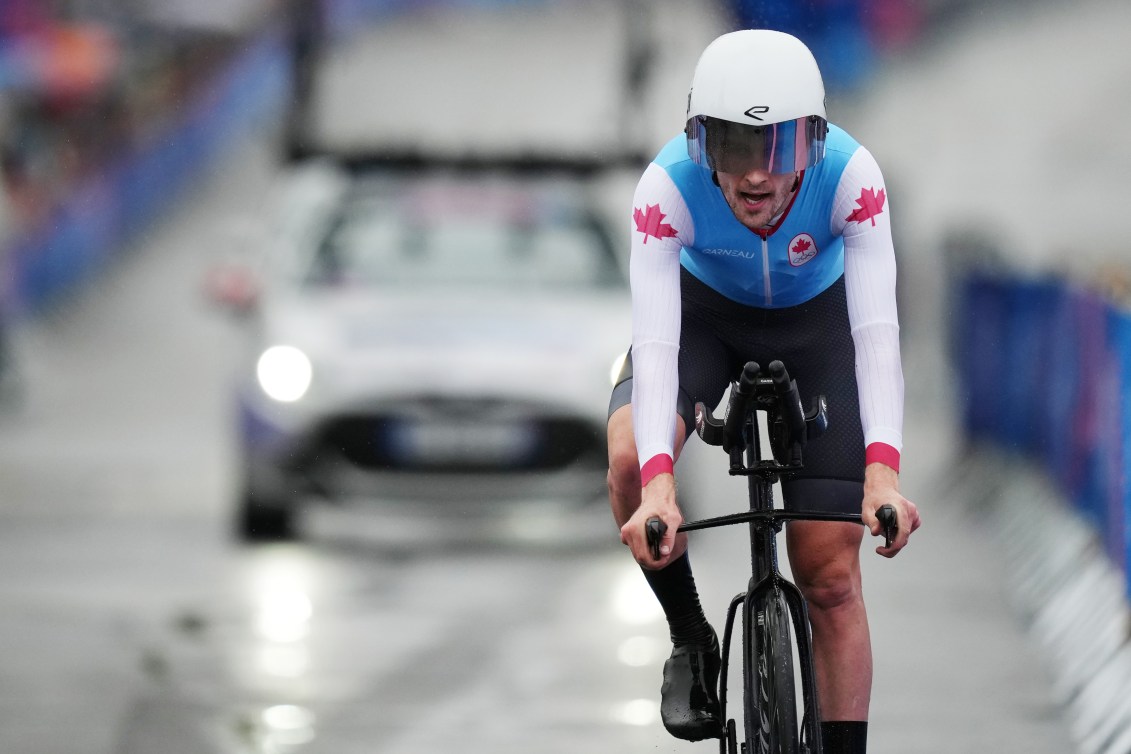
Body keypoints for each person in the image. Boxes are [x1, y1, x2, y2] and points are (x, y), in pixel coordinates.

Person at [605, 29, 921, 754]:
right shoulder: (664, 189)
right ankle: (689, 635)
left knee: (829, 572)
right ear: (699, 145)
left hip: (821, 329)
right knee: (625, 458)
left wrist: (883, 475)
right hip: (705, 321)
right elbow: (655, 345)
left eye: (776, 150)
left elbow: (875, 335)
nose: (754, 176)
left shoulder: (852, 177)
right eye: (732, 148)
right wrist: (657, 487)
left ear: (812, 144)